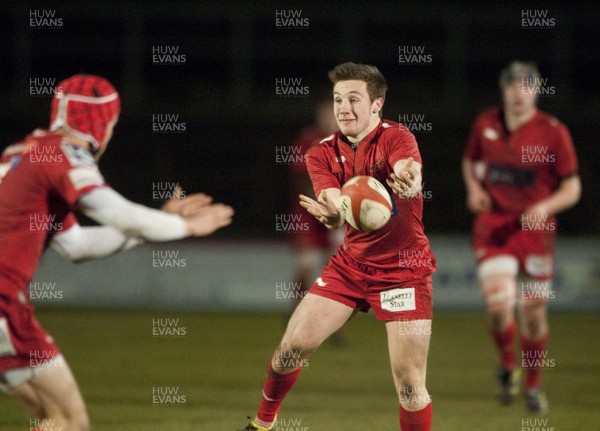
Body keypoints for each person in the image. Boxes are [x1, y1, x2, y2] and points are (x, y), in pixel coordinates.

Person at [0, 74, 234, 430]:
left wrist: (155, 223)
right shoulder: (64, 154)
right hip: (3, 303)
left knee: (50, 418)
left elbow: (76, 246)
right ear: (103, 123)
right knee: (71, 422)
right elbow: (117, 214)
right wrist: (185, 227)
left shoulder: (23, 152)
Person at [242, 62, 436, 431]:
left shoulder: (397, 137)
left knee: (410, 386)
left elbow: (409, 168)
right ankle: (263, 424)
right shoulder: (320, 152)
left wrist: (410, 181)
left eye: (353, 99)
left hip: (403, 273)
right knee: (289, 350)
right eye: (337, 100)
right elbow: (332, 198)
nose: (343, 108)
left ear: (377, 105)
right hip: (351, 267)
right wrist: (332, 215)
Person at [462, 60, 581, 413]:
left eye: (527, 84)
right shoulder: (485, 124)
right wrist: (472, 188)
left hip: (535, 234)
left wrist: (546, 207)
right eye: (513, 84)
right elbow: (470, 161)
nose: (519, 91)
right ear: (504, 88)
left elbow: (572, 187)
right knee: (499, 308)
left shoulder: (553, 131)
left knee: (531, 315)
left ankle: (532, 386)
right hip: (494, 228)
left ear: (537, 90)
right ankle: (507, 365)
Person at [287, 97, 345, 343]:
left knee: (337, 271)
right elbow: (301, 180)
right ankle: (295, 310)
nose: (329, 118)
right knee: (307, 268)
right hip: (308, 215)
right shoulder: (306, 141)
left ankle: (333, 326)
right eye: (325, 113)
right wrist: (323, 203)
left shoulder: (348, 142)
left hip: (339, 215)